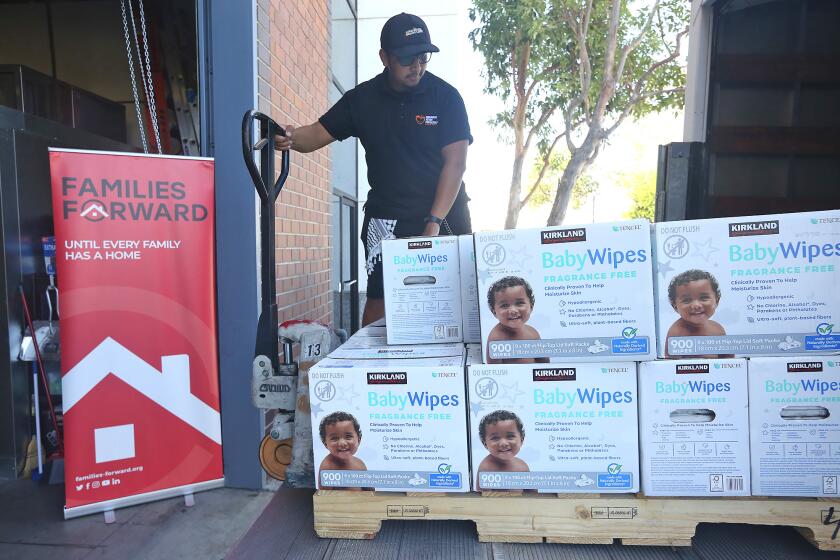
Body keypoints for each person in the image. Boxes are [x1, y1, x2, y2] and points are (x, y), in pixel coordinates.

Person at [275, 12, 473, 326]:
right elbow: (312, 136)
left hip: (444, 215)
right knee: (381, 302)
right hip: (387, 218)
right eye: (408, 58)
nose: (417, 66)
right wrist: (287, 137)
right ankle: (372, 371)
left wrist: (433, 224)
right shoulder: (362, 100)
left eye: (423, 57)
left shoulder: (445, 97)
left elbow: (456, 162)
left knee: (456, 299)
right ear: (384, 57)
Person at [665, 269, 732, 358]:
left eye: (704, 298)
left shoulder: (717, 329)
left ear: (717, 300)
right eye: (687, 300)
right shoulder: (676, 333)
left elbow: (729, 360)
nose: (696, 305)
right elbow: (670, 367)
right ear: (675, 306)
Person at [485, 276, 549, 364]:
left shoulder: (532, 332)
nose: (513, 310)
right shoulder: (497, 339)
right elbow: (495, 371)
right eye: (504, 305)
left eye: (519, 303)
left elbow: (545, 363)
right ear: (494, 311)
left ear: (531, 306)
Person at [476, 410, 529, 491]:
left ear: (521, 440)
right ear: (485, 443)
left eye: (510, 436)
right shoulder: (487, 468)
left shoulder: (522, 465)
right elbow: (483, 499)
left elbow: (532, 493)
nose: (503, 443)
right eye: (495, 438)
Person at [317, 411, 367, 490]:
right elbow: (325, 498)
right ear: (325, 444)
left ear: (359, 439)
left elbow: (370, 492)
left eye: (348, 436)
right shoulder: (328, 467)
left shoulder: (359, 464)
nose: (342, 443)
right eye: (334, 438)